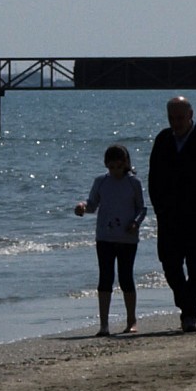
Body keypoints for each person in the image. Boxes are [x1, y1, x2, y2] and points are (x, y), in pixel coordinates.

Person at [146, 95, 196, 332]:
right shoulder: (162, 140)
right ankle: (186, 302)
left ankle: (189, 314)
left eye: (181, 117)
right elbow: (154, 178)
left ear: (190, 116)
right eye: (172, 118)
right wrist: (158, 207)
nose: (176, 122)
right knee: (169, 261)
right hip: (169, 214)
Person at [74, 143, 146, 336]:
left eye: (118, 167)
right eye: (111, 167)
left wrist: (135, 223)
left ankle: (131, 320)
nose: (115, 171)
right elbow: (92, 204)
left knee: (125, 278)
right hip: (104, 237)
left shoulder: (134, 183)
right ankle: (104, 324)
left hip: (127, 238)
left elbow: (142, 208)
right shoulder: (101, 181)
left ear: (126, 164)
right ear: (106, 165)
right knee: (105, 278)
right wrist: (82, 206)